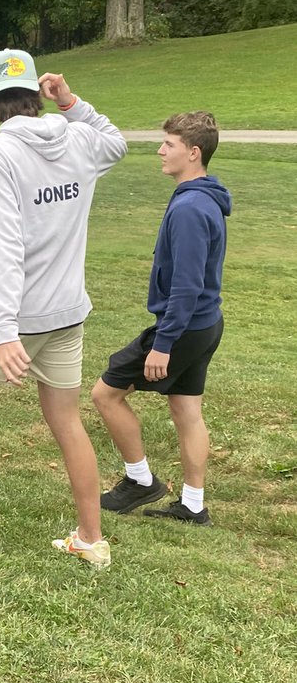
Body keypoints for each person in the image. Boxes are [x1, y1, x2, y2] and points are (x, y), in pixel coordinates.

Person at [0, 48, 127, 567]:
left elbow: (2, 247)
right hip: (67, 311)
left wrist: (5, 329)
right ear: (39, 92)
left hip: (21, 315)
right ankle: (90, 539)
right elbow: (116, 142)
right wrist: (72, 103)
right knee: (65, 417)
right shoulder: (78, 137)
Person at [92, 112, 229, 525]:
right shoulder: (204, 196)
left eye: (169, 144)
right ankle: (193, 505)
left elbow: (186, 285)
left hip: (184, 327)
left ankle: (140, 481)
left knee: (105, 394)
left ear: (193, 152)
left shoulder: (190, 208)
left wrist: (164, 344)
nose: (160, 151)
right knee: (187, 412)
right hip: (206, 324)